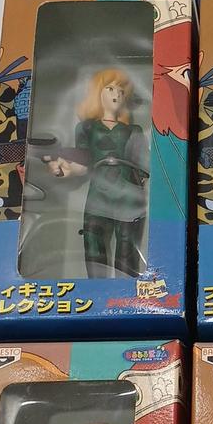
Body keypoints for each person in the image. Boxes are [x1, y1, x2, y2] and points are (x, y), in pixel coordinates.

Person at [45, 68, 149, 278]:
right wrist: (65, 169)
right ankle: (95, 289)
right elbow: (83, 162)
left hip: (127, 191)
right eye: (110, 88)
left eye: (121, 91)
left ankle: (127, 290)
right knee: (93, 240)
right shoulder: (86, 128)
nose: (116, 94)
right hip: (98, 191)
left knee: (127, 245)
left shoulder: (134, 131)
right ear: (97, 93)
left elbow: (144, 164)